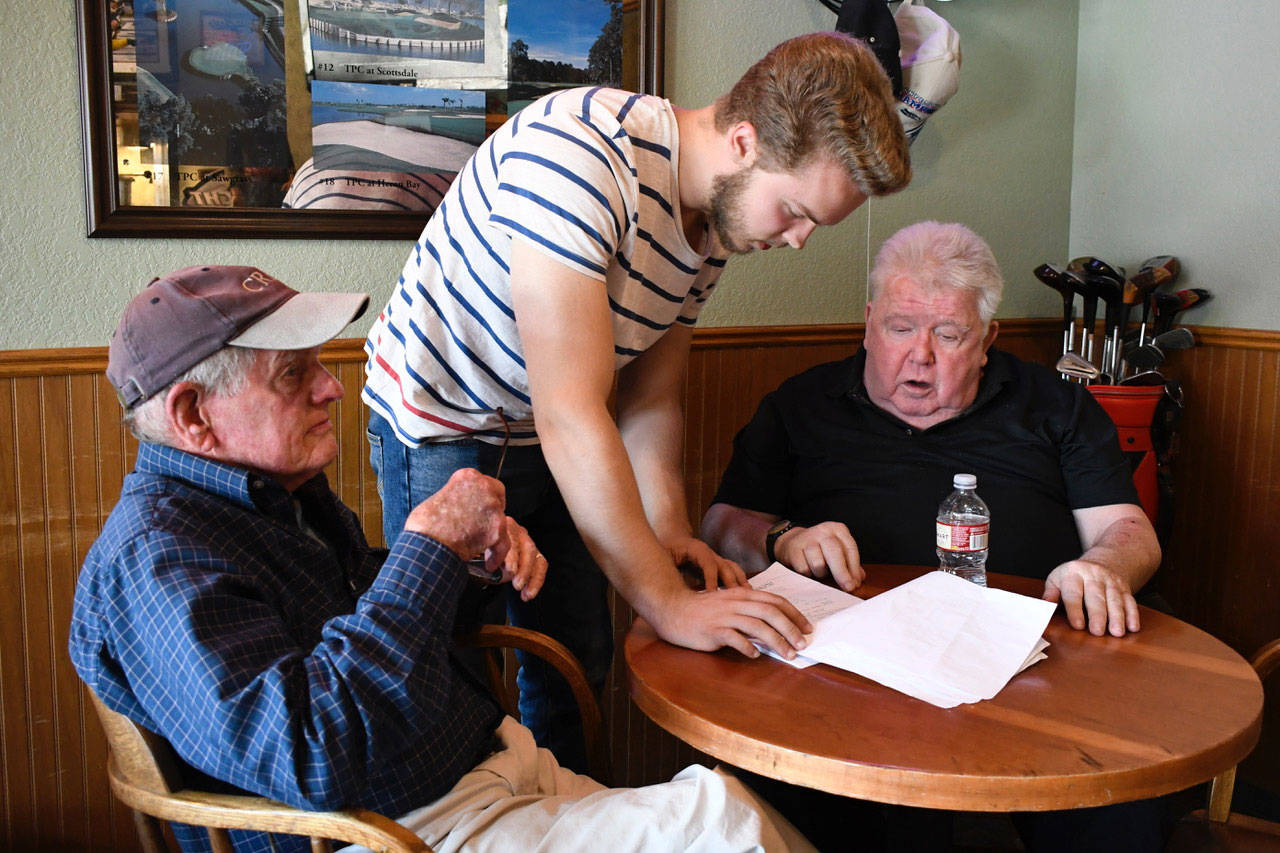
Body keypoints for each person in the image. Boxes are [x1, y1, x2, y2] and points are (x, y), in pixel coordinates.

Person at [70, 266, 814, 853]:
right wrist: (428, 545)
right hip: (394, 832)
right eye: (294, 374)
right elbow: (315, 751)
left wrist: (468, 563)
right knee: (729, 824)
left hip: (479, 775)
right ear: (194, 414)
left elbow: (370, 636)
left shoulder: (268, 497)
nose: (334, 386)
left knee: (725, 805)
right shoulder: (157, 562)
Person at [361, 30, 913, 770]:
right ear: (745, 141)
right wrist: (670, 602)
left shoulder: (713, 219)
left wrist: (668, 529)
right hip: (446, 422)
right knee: (452, 670)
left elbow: (650, 394)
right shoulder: (583, 157)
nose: (800, 240)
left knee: (574, 655)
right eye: (794, 211)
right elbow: (573, 411)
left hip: (552, 427)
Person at [701, 221, 1165, 852]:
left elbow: (1128, 530)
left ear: (986, 340)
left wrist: (1104, 566)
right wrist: (783, 536)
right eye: (898, 329)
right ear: (868, 322)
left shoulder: (1054, 406)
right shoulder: (802, 405)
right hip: (841, 685)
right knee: (786, 808)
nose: (919, 355)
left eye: (948, 335)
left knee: (1121, 815)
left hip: (1031, 679)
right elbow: (722, 524)